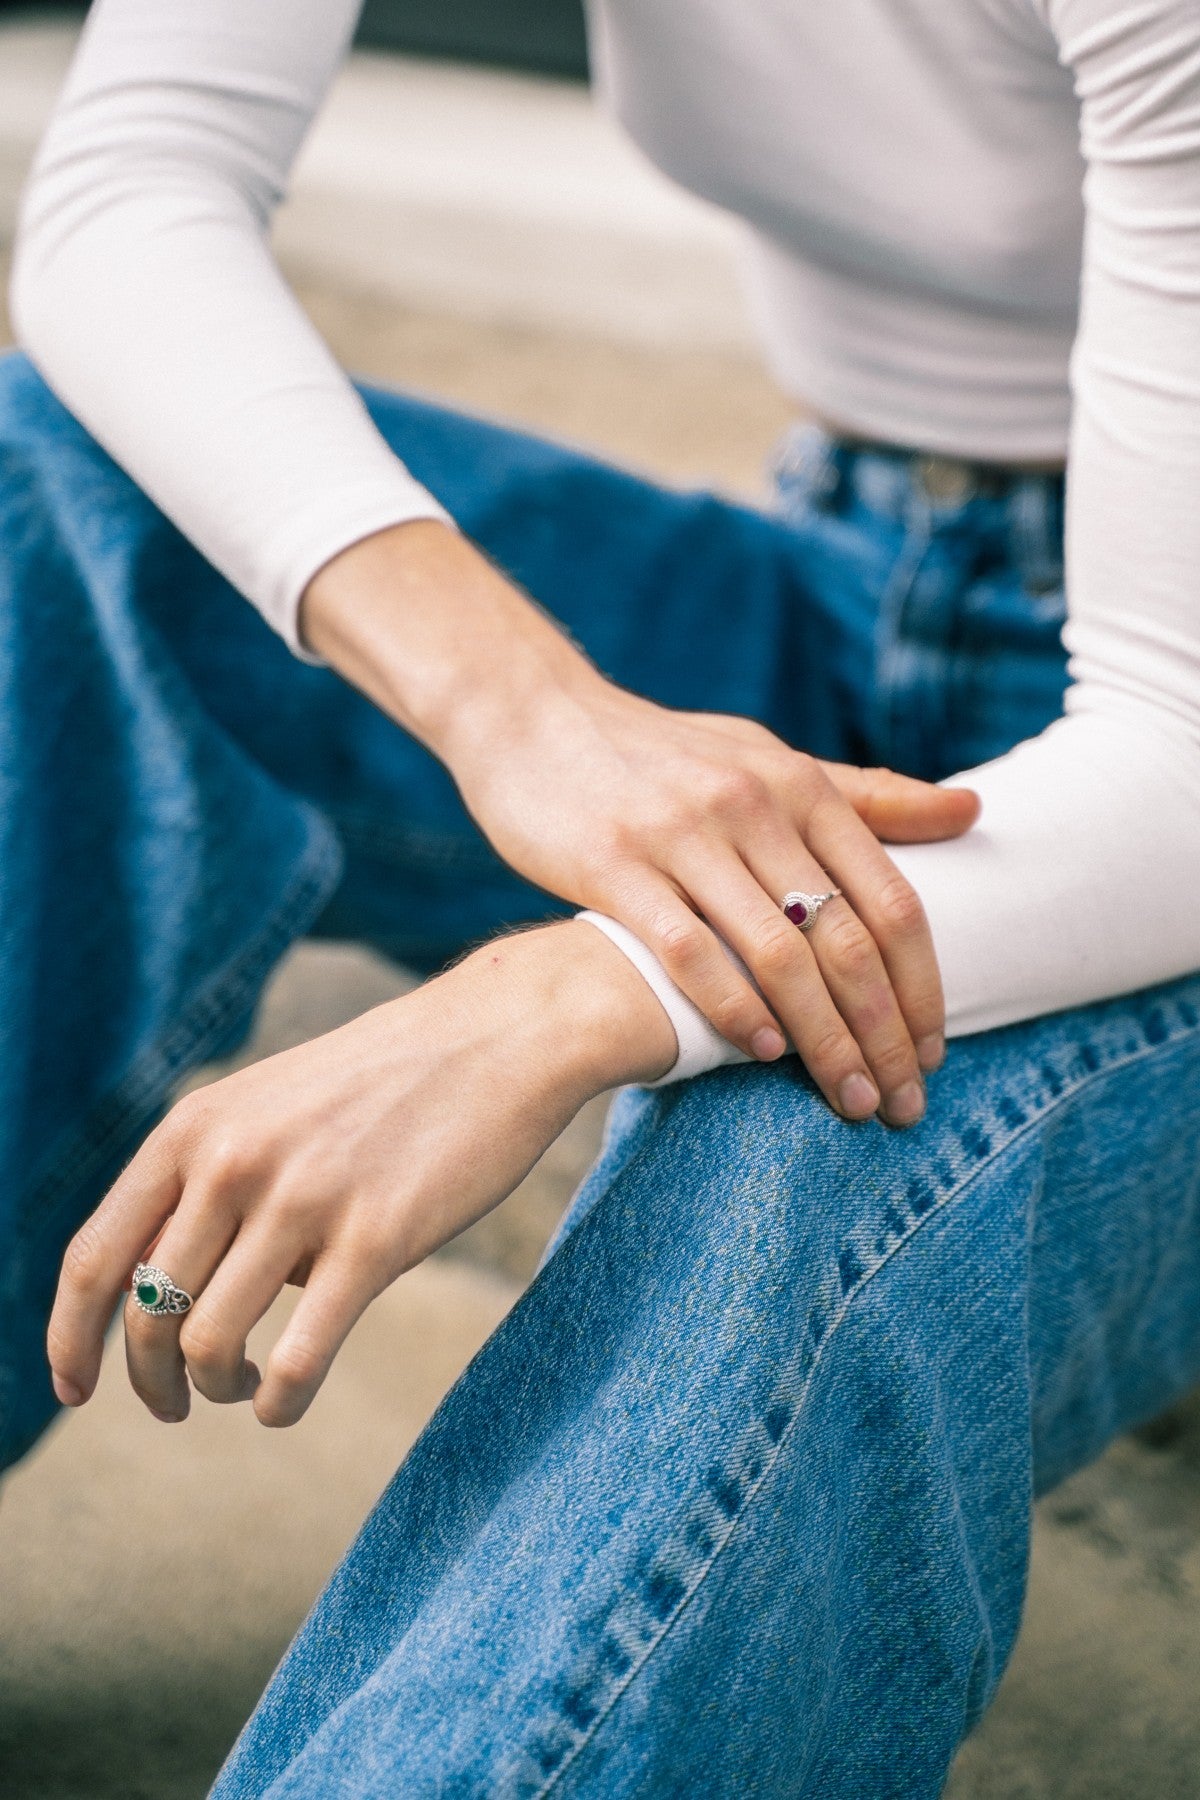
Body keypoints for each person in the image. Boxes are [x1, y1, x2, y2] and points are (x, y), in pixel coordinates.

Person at [4, 0, 1200, 1791]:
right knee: (62, 500)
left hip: (1164, 748)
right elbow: (126, 194)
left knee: (805, 1109)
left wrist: (582, 990)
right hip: (872, 558)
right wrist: (519, 709)